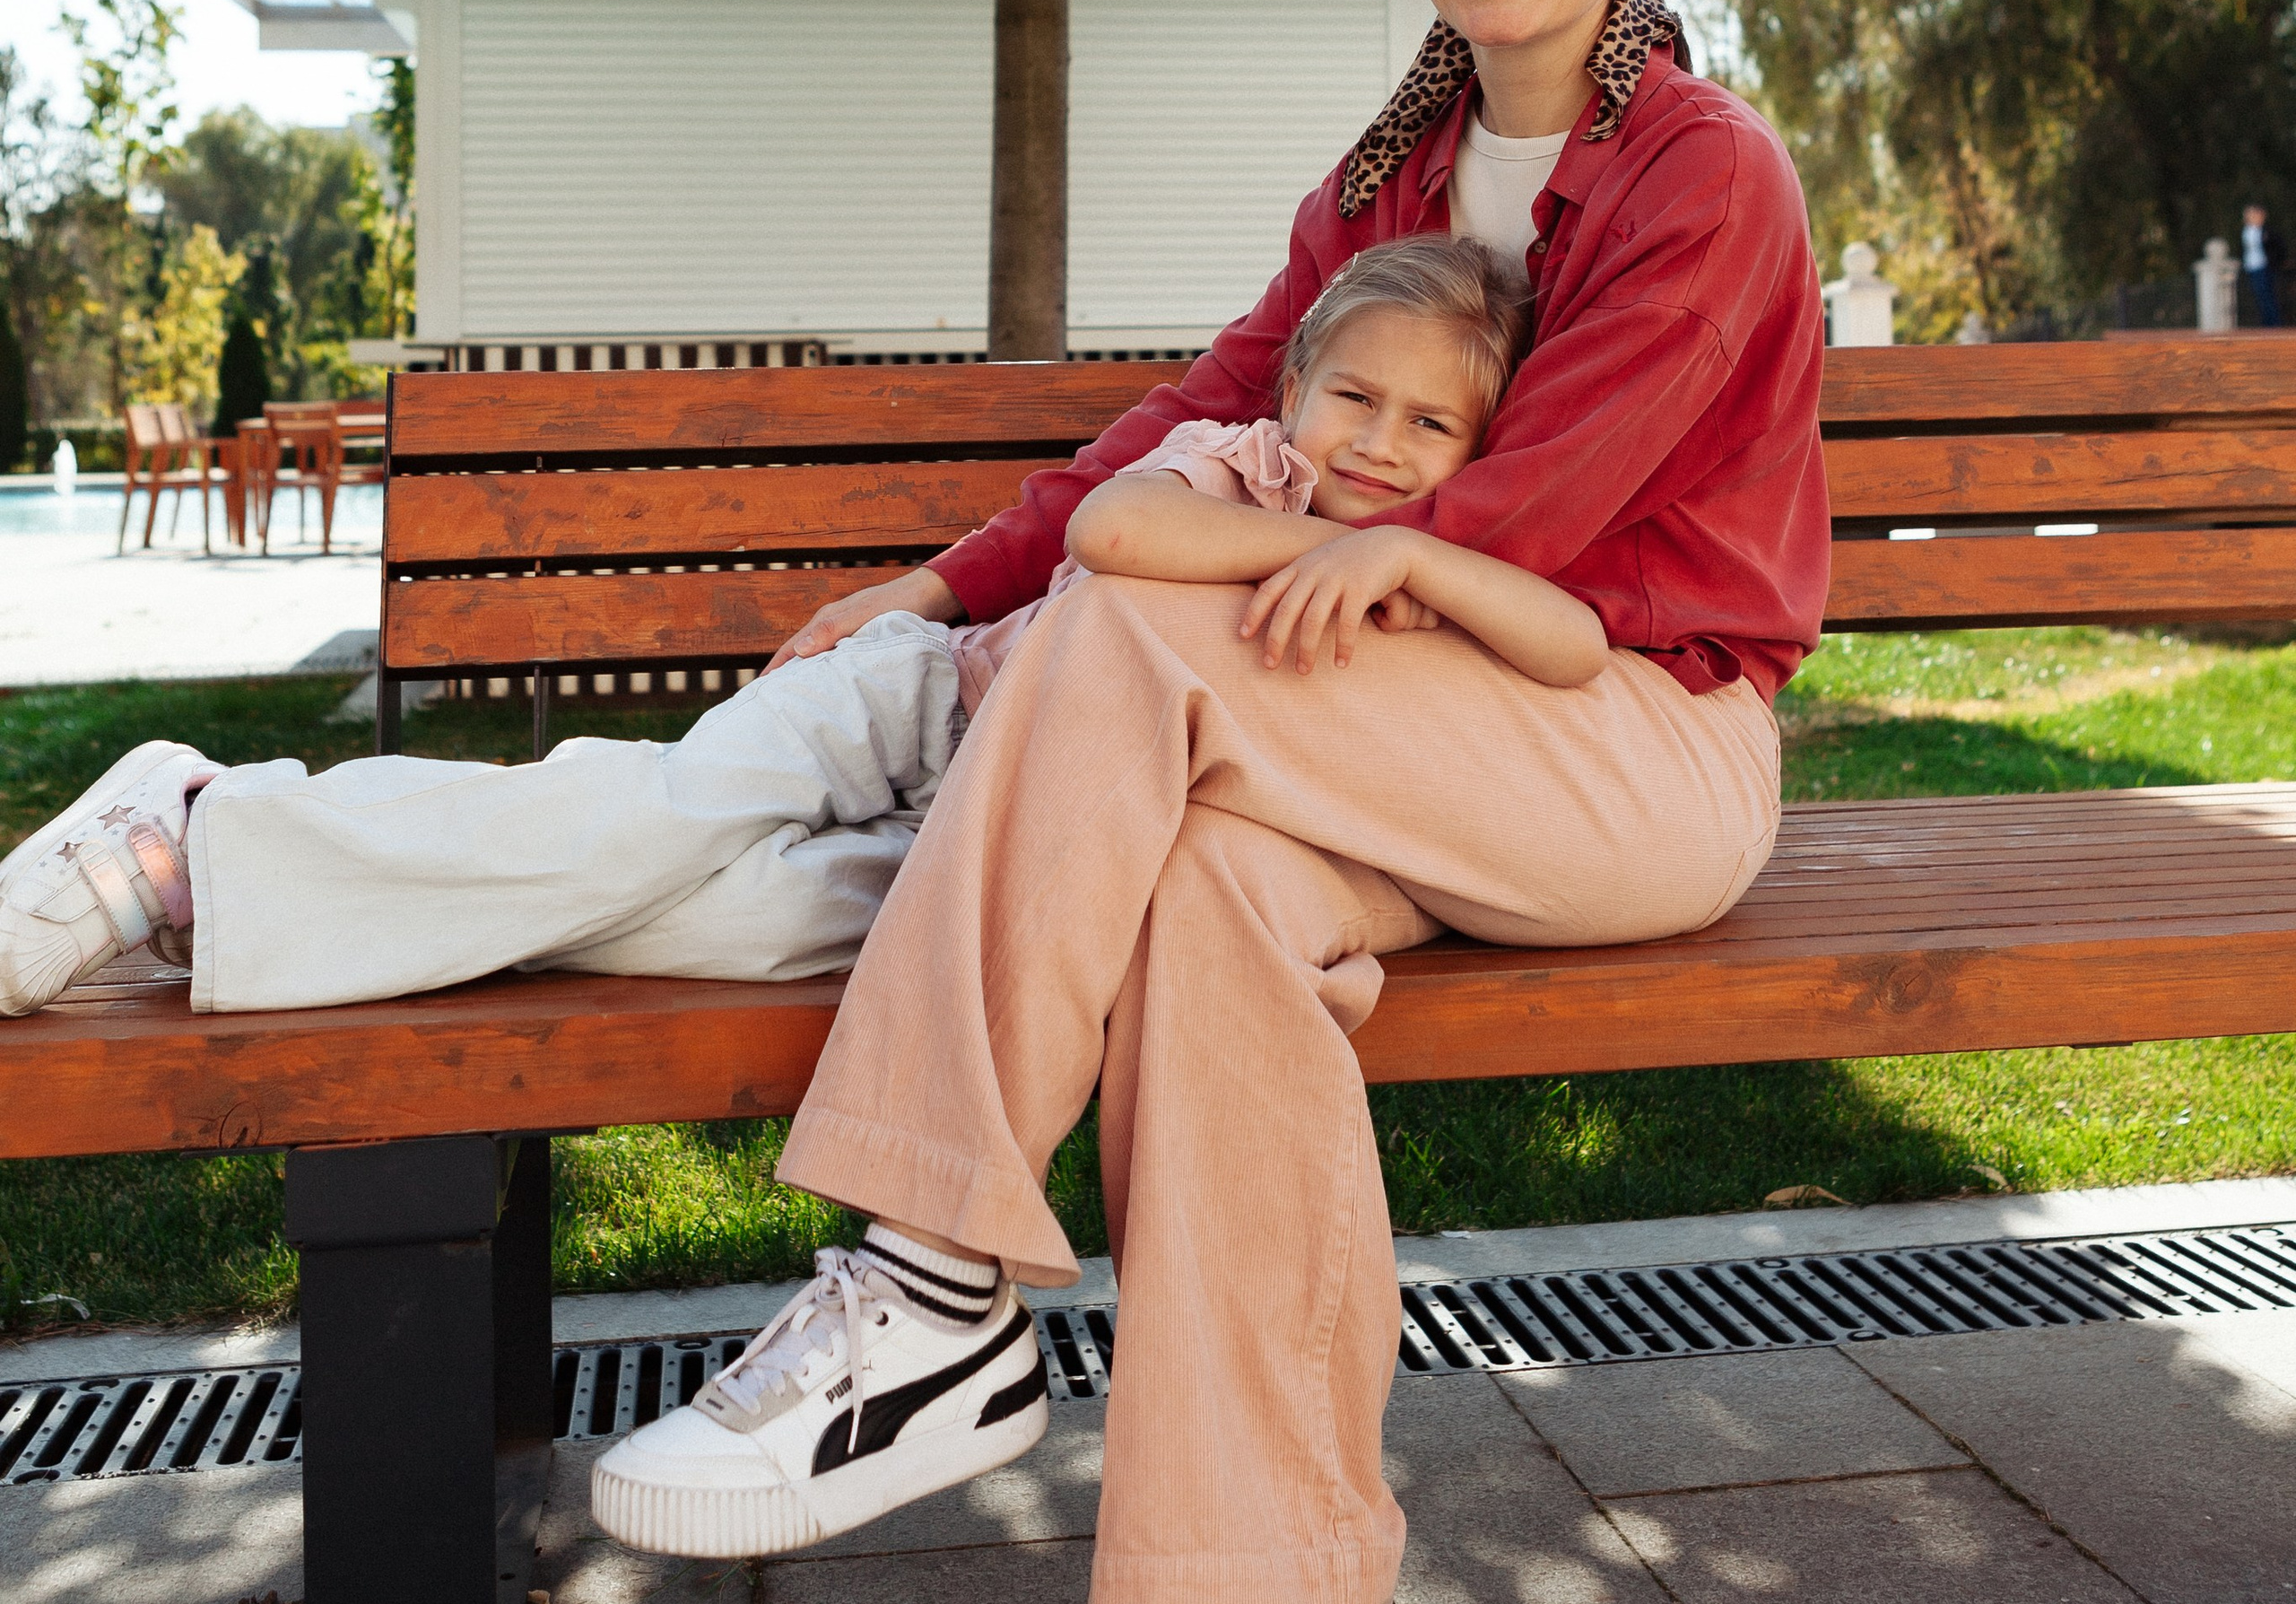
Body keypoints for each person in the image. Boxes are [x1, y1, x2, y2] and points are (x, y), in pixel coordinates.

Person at [587, 0, 1831, 1604]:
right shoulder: (1382, 186)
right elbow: (1204, 407)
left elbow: (1530, 533)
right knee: (1207, 898)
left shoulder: (1700, 173)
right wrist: (960, 568)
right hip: (1379, 719)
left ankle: (934, 1266)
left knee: (1124, 634)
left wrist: (1120, 565)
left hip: (1624, 734)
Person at [0, 241, 1570, 1026]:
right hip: (916, 703)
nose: (1381, 440)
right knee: (660, 816)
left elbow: (1556, 649)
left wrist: (1421, 567)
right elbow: (1117, 533)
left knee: (737, 930)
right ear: (1293, 391)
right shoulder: (1251, 473)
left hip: (1009, 827)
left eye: (1433, 425)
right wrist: (1326, 542)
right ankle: (176, 841)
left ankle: (227, 848)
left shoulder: (1419, 582)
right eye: (1356, 396)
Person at [2240, 204, 2285, 329]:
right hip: (2252, 267)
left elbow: (2279, 248)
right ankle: (2266, 323)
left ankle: (2275, 324)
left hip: (2264, 267)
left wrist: (2275, 263)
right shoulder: (2246, 231)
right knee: (2260, 296)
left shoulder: (2268, 231)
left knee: (2268, 296)